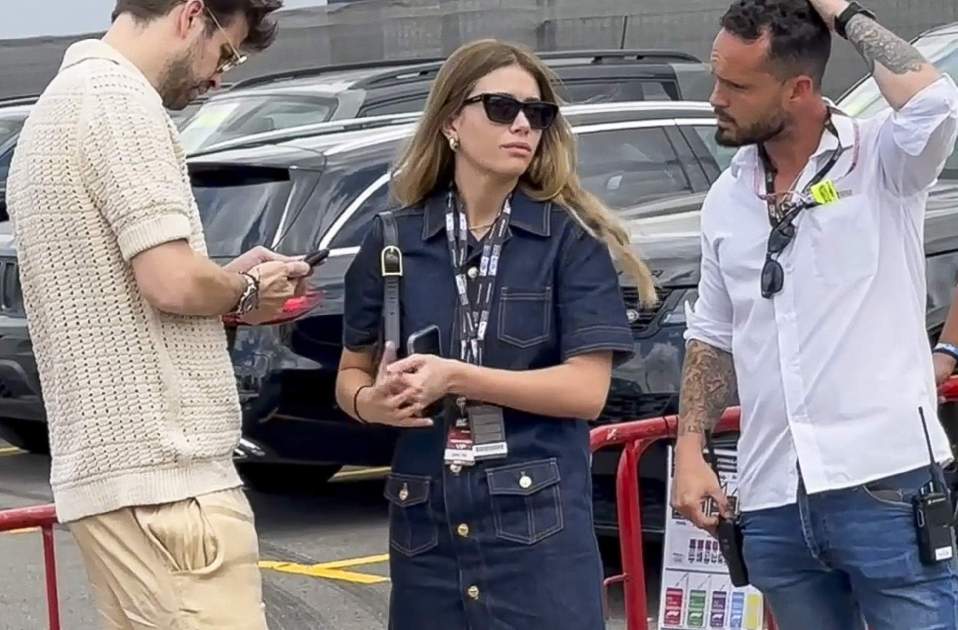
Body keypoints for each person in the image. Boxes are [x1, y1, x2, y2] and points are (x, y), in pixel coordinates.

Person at [335, 38, 656, 629]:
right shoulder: (393, 241)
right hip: (426, 529)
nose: (523, 126)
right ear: (451, 122)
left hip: (536, 534)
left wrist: (457, 377)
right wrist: (369, 404)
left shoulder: (570, 239)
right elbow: (351, 372)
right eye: (502, 108)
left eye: (537, 113)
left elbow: (586, 392)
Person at [4, 1, 302, 628]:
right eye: (226, 53)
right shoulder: (121, 101)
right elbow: (171, 281)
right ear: (191, 15)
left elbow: (122, 295)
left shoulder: (57, 107)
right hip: (170, 482)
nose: (219, 76)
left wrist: (222, 282)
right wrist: (247, 291)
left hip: (108, 481)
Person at [672, 0, 958, 627]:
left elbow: (935, 101)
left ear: (799, 88)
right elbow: (712, 334)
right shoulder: (727, 196)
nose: (716, 98)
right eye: (718, 78)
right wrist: (689, 450)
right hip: (771, 495)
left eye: (738, 86)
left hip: (884, 483)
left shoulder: (884, 160)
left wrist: (840, 11)